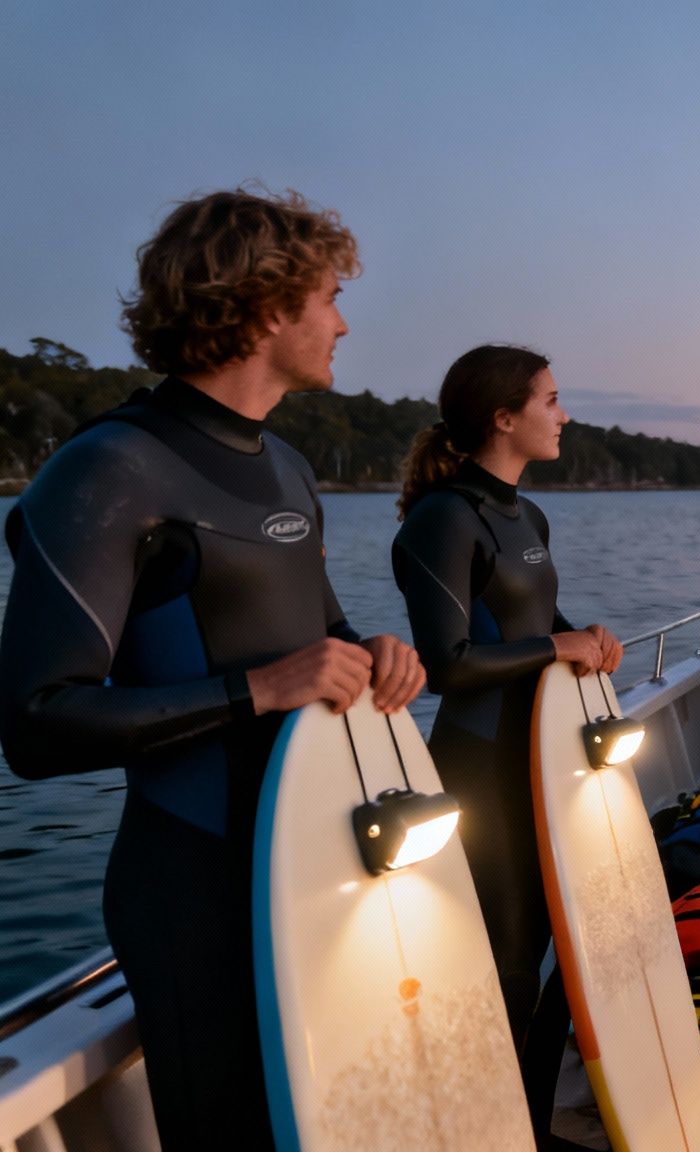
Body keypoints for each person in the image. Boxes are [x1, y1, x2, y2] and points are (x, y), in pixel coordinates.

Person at [0, 188, 425, 1149]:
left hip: (322, 869)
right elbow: (35, 721)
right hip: (195, 891)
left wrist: (379, 657)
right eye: (331, 296)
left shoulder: (286, 467)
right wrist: (260, 690)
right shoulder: (109, 469)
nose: (344, 321)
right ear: (268, 305)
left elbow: (324, 640)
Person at [391, 344, 621, 1141]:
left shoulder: (528, 513)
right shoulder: (443, 519)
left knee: (559, 955)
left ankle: (527, 1126)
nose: (563, 414)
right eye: (551, 400)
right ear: (504, 417)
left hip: (545, 763)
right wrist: (555, 650)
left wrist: (578, 633)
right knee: (507, 964)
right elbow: (448, 664)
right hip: (483, 769)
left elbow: (530, 623)